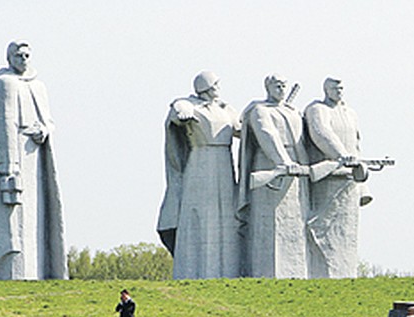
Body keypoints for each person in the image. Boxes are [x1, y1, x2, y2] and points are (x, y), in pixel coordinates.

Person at [0, 41, 67, 280]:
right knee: (12, 216)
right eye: (19, 55)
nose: (24, 59)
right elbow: (2, 124)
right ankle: (11, 271)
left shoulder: (38, 86)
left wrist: (44, 129)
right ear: (9, 58)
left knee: (35, 216)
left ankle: (36, 271)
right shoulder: (3, 84)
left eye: (27, 55)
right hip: (13, 157)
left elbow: (49, 119)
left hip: (35, 156)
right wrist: (7, 165)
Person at [157, 71, 241, 279]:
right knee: (199, 215)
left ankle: (228, 270)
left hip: (224, 161)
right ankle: (194, 270)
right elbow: (178, 111)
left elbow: (241, 128)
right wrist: (182, 112)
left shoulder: (225, 108)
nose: (218, 87)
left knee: (226, 216)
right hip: (199, 162)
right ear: (207, 86)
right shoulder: (189, 104)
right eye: (215, 84)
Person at [238, 74, 310, 278]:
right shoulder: (260, 110)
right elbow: (267, 134)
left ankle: (296, 273)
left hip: (295, 167)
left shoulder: (292, 111)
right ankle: (266, 273)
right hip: (270, 164)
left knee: (294, 224)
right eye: (276, 85)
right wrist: (283, 161)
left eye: (283, 86)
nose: (280, 89)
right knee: (268, 225)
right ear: (267, 87)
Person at [304, 77, 371, 278]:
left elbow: (357, 144)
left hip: (350, 179)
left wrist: (362, 183)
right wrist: (340, 154)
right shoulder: (317, 109)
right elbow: (321, 133)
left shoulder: (350, 113)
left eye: (341, 87)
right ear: (326, 89)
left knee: (347, 232)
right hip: (328, 179)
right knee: (323, 228)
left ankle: (345, 274)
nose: (339, 91)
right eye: (334, 87)